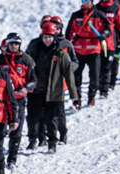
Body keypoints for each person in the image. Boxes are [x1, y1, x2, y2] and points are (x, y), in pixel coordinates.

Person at [27, 22, 79, 151]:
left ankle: (52, 143)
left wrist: (74, 95)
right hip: (36, 90)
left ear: (54, 36)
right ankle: (33, 140)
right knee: (33, 117)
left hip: (54, 91)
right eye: (45, 36)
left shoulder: (61, 53)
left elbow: (69, 75)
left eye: (49, 36)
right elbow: (24, 64)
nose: (47, 39)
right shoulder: (35, 48)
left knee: (51, 119)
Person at [0, 33, 37, 169]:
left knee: (17, 129)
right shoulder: (0, 60)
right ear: (7, 44)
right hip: (2, 101)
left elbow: (34, 80)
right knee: (0, 129)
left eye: (16, 43)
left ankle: (12, 159)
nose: (14, 46)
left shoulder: (26, 61)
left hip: (19, 100)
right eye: (11, 43)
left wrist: (26, 89)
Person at [66, 0, 110, 108]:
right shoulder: (75, 15)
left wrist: (103, 35)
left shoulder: (99, 14)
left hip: (93, 50)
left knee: (95, 78)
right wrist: (68, 46)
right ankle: (77, 100)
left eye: (88, 0)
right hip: (78, 50)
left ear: (91, 1)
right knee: (76, 78)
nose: (85, 2)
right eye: (83, 0)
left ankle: (91, 96)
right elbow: (68, 32)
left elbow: (108, 28)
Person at [95, 0, 120, 98]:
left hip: (110, 43)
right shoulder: (96, 8)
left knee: (107, 66)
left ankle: (105, 90)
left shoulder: (116, 8)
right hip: (97, 43)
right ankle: (97, 87)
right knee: (97, 67)